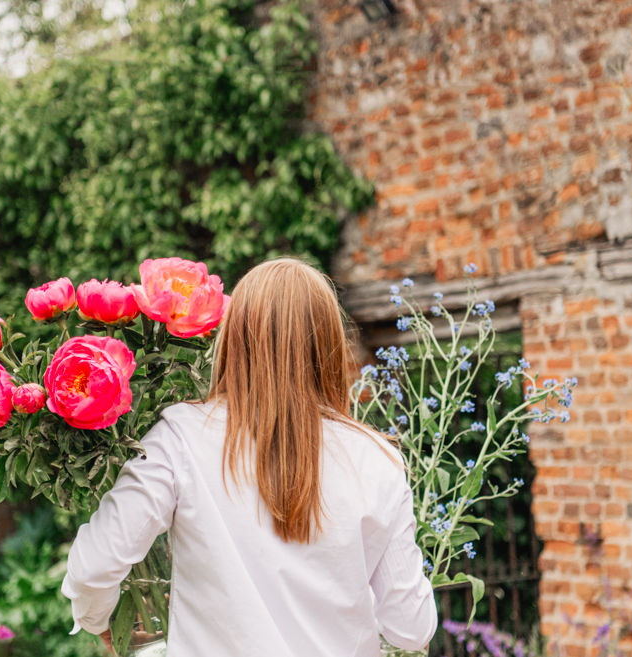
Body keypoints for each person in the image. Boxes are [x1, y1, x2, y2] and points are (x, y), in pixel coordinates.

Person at [61, 258, 437, 656]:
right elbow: (411, 629)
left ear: (233, 338)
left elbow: (94, 567)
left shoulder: (180, 437)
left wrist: (100, 621)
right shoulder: (377, 460)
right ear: (328, 345)